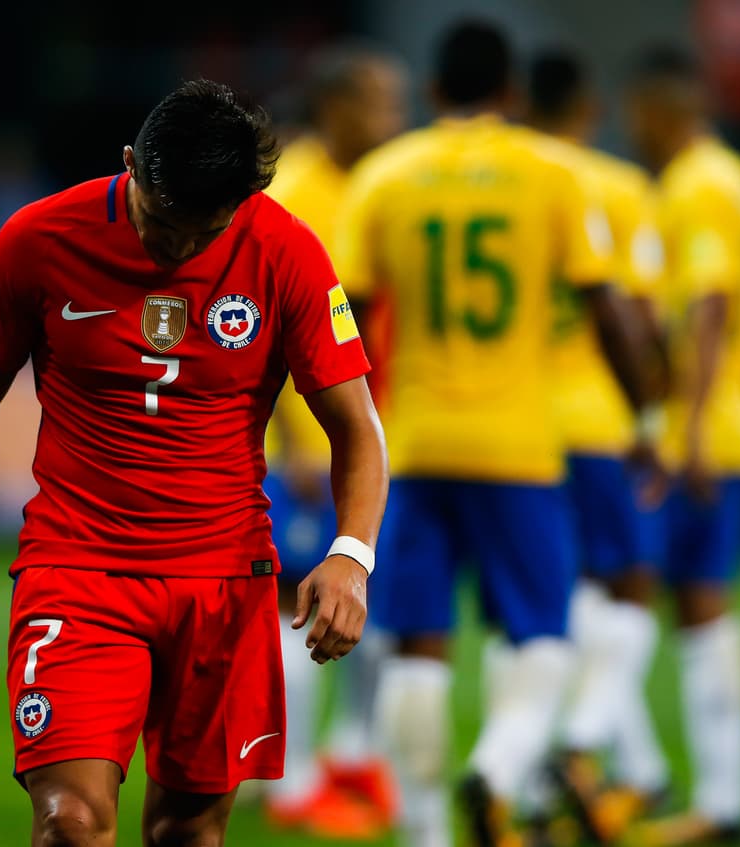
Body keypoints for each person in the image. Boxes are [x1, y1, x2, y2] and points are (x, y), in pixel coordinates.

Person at [0, 79, 389, 847]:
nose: (180, 249)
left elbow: (356, 427)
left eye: (206, 231)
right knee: (71, 822)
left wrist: (350, 553)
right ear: (130, 164)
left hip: (223, 581)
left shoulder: (284, 249)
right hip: (77, 570)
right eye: (163, 224)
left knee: (188, 832)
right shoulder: (38, 238)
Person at [333, 20, 662, 847]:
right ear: (512, 96)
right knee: (543, 632)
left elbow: (342, 317)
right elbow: (609, 308)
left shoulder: (384, 177)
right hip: (518, 446)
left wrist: (344, 429)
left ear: (434, 90)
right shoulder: (551, 176)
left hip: (411, 441)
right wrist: (647, 417)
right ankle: (501, 768)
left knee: (417, 643)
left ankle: (424, 836)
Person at [517, 46, 672, 841]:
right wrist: (656, 416)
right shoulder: (614, 186)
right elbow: (639, 317)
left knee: (552, 603)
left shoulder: (504, 178)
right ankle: (579, 752)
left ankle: (583, 776)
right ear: (592, 108)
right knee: (634, 587)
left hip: (516, 426)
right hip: (597, 420)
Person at [624, 46, 740, 845]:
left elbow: (709, 306)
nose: (629, 125)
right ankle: (715, 799)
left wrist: (696, 428)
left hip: (703, 432)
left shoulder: (704, 186)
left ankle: (701, 795)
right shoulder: (712, 179)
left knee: (650, 594)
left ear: (662, 105)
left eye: (636, 109)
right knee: (692, 604)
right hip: (710, 427)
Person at [259, 43, 406, 838]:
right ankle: (288, 781)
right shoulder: (295, 192)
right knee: (298, 599)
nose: (395, 118)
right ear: (336, 107)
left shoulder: (388, 180)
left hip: (385, 435)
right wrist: (302, 445)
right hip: (314, 446)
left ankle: (354, 757)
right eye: (380, 101)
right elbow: (271, 330)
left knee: (375, 601)